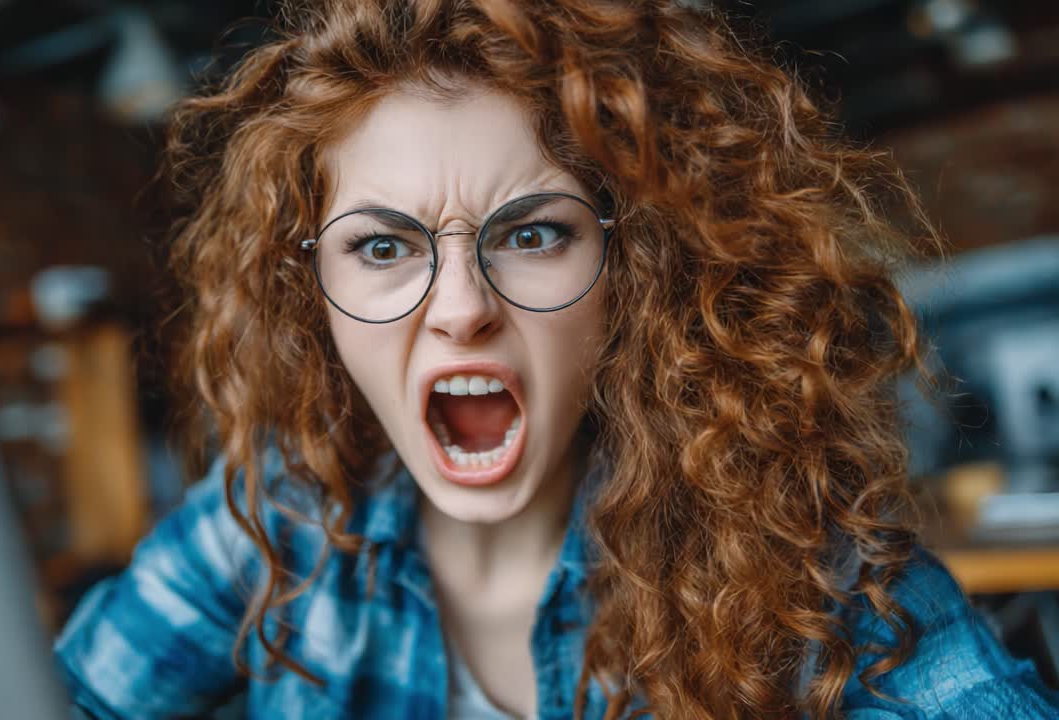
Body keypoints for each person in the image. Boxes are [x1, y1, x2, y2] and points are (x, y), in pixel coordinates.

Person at [54, 1, 1059, 718]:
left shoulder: (792, 566)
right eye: (381, 245)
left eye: (531, 235)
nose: (460, 311)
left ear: (634, 271)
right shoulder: (275, 521)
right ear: (306, 292)